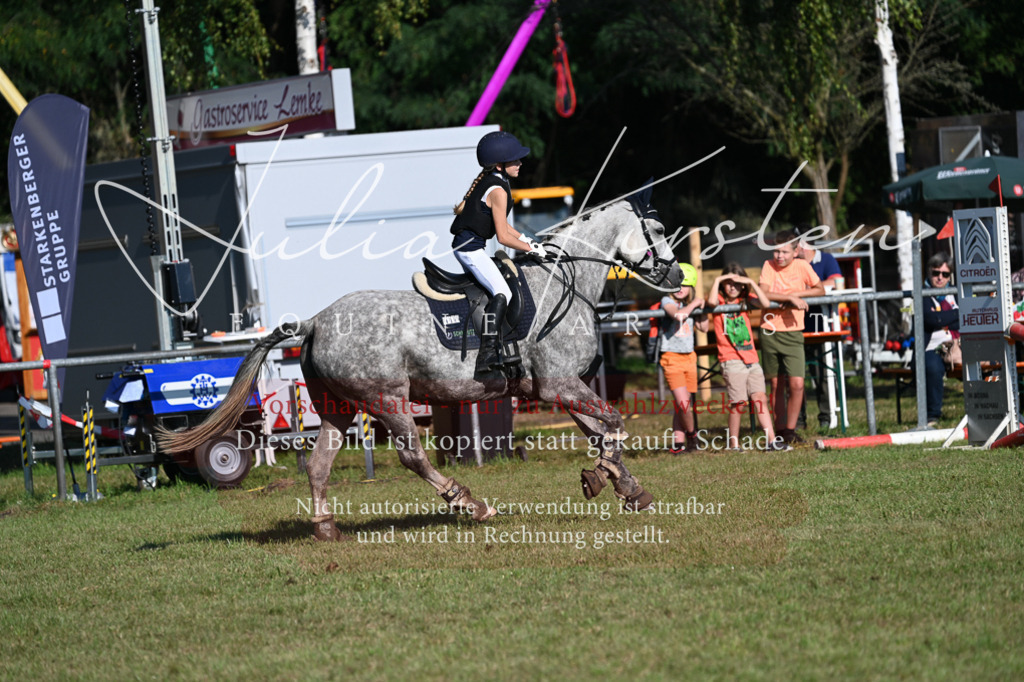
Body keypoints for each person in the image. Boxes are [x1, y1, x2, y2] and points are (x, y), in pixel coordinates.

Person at [450, 131, 548, 373]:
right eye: (515, 160)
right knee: (503, 291)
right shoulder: (498, 190)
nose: (520, 163)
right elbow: (503, 237)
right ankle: (487, 354)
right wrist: (531, 250)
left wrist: (528, 240)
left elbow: (505, 227)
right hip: (469, 250)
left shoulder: (496, 180)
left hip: (469, 246)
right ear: (499, 164)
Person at [708, 263, 789, 451]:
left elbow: (766, 303)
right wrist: (719, 279)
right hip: (731, 359)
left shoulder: (746, 300)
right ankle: (733, 443)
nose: (732, 287)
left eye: (737, 284)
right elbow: (711, 302)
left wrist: (750, 282)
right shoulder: (719, 300)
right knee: (738, 404)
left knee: (760, 398)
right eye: (728, 283)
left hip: (752, 359)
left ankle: (771, 440)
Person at [759, 230, 825, 444]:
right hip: (770, 330)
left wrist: (797, 296)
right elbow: (764, 293)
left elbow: (820, 290)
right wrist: (788, 297)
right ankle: (779, 430)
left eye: (784, 252)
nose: (779, 256)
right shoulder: (768, 266)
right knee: (776, 384)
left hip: (794, 331)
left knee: (796, 383)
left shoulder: (802, 266)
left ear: (796, 251)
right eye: (776, 251)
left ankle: (790, 429)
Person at [796, 228, 843, 429]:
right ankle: (797, 422)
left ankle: (827, 417)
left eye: (795, 243)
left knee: (823, 374)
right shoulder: (793, 264)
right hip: (795, 328)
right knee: (796, 378)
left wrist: (806, 291)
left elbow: (836, 283)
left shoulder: (826, 260)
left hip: (819, 327)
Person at [659, 263, 709, 453]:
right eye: (676, 285)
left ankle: (678, 443)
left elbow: (704, 327)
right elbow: (678, 316)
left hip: (690, 358)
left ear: (692, 286)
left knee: (683, 404)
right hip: (671, 358)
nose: (680, 289)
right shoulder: (667, 301)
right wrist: (695, 304)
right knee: (683, 404)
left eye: (685, 285)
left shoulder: (691, 305)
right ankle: (692, 435)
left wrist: (701, 307)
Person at [923, 253, 959, 427]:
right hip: (931, 347)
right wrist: (955, 315)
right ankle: (933, 416)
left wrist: (942, 317)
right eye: (936, 273)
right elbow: (930, 320)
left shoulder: (956, 294)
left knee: (988, 362)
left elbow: (966, 317)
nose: (940, 278)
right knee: (932, 366)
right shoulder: (922, 294)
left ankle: (989, 409)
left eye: (945, 274)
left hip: (958, 346)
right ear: (929, 272)